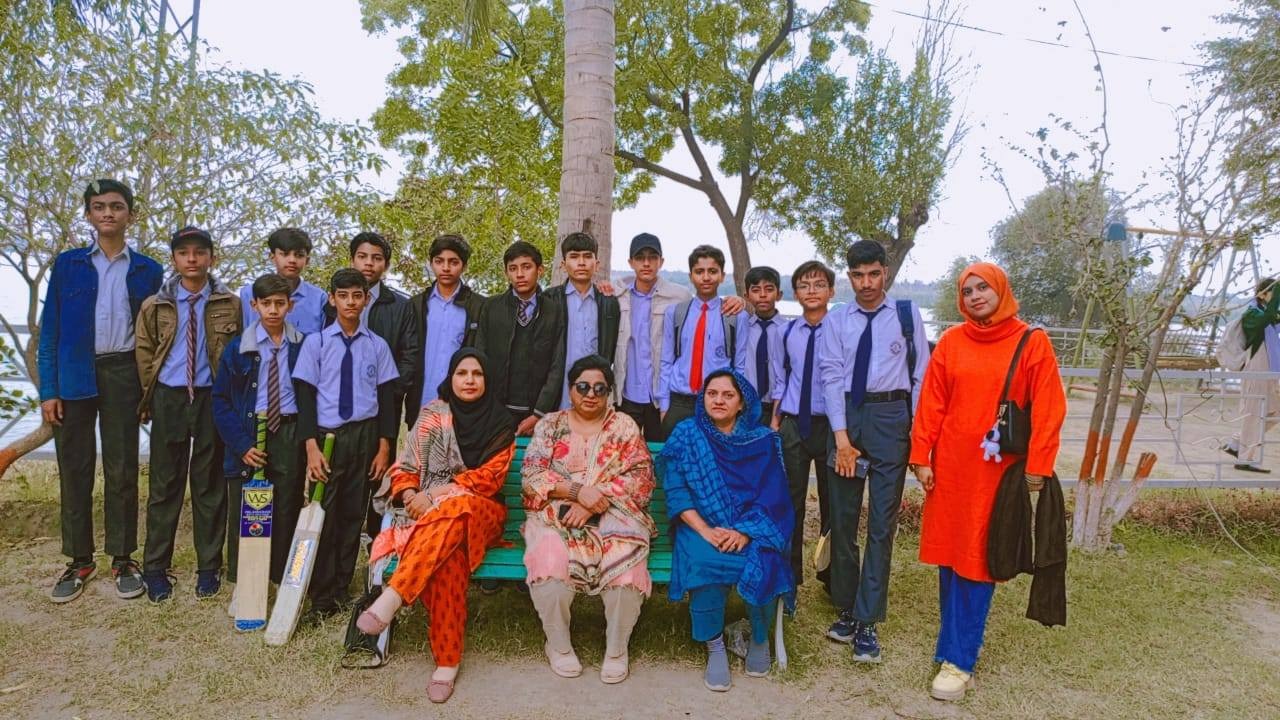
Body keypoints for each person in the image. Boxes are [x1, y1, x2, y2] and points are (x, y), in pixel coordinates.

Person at [909, 262, 1067, 701]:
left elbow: (1049, 407)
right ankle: (953, 647)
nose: (976, 296)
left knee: (979, 560)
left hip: (997, 475)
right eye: (968, 290)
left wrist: (1039, 466)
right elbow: (932, 402)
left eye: (983, 288)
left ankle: (960, 662)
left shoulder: (1031, 342)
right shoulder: (952, 341)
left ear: (1001, 290)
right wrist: (921, 455)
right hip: (950, 470)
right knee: (949, 558)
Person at [356, 348, 516, 704]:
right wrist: (412, 493)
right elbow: (406, 466)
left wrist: (437, 494)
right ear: (451, 377)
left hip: (483, 513)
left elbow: (488, 480)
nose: (470, 380)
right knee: (448, 561)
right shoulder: (432, 415)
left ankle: (393, 596)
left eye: (477, 373)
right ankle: (447, 661)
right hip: (434, 522)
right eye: (462, 373)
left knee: (457, 505)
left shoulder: (501, 422)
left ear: (487, 380)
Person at [38, 179, 164, 603]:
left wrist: (148, 393)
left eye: (116, 206)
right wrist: (49, 390)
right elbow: (50, 331)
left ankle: (123, 558)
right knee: (75, 468)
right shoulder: (68, 264)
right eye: (98, 206)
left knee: (123, 468)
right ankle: (79, 559)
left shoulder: (148, 269)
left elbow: (154, 337)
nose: (107, 213)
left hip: (124, 374)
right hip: (74, 375)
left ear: (130, 214)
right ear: (89, 214)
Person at [815, 239, 930, 662]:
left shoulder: (906, 315)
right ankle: (847, 606)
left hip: (890, 418)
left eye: (874, 274)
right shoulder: (837, 319)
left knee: (882, 523)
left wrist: (916, 434)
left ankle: (868, 619)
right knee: (843, 519)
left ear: (885, 273)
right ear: (850, 277)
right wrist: (842, 439)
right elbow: (830, 376)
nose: (866, 283)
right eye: (858, 275)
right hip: (847, 416)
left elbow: (921, 375)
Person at [522, 355, 656, 684]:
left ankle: (617, 649)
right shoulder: (550, 425)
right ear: (570, 390)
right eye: (583, 387)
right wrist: (577, 491)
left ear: (609, 392)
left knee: (626, 568)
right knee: (550, 563)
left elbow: (641, 478)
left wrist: (596, 501)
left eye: (600, 388)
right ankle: (558, 645)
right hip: (556, 514)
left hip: (615, 513)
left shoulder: (624, 426)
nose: (591, 394)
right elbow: (531, 476)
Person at [659, 369, 793, 692]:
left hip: (750, 528)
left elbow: (773, 496)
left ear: (742, 403)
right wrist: (706, 530)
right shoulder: (686, 435)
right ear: (702, 398)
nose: (718, 400)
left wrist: (745, 532)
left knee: (763, 558)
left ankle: (759, 637)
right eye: (712, 394)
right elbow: (676, 490)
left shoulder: (761, 441)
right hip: (698, 526)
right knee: (704, 562)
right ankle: (715, 645)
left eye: (727, 395)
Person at [135, 226, 242, 602]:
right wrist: (149, 397)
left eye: (199, 252)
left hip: (212, 397)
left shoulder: (230, 303)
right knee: (165, 484)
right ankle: (155, 568)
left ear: (212, 257)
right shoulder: (156, 305)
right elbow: (144, 352)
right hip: (170, 396)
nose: (192, 259)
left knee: (209, 484)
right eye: (184, 253)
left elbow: (238, 353)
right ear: (175, 259)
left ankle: (208, 567)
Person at [293, 268, 400, 617]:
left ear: (366, 299)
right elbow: (305, 398)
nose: (350, 302)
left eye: (357, 296)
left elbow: (387, 399)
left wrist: (384, 446)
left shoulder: (377, 345)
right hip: (328, 438)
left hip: (364, 435)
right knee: (325, 512)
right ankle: (320, 592)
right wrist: (311, 447)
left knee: (354, 512)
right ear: (332, 299)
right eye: (343, 296)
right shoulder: (317, 343)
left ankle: (341, 587)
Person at [212, 273, 307, 589]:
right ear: (254, 305)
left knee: (286, 503)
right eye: (266, 303)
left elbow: (311, 394)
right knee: (248, 507)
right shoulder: (238, 348)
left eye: (280, 303)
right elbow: (221, 400)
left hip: (288, 430)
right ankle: (246, 581)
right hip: (250, 432)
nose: (273, 310)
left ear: (290, 305)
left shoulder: (302, 345)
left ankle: (279, 575)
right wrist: (241, 444)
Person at [332, 231, 420, 538]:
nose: (369, 263)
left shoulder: (400, 306)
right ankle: (337, 545)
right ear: (352, 259)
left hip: (383, 408)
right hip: (338, 410)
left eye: (376, 258)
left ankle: (376, 546)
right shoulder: (333, 302)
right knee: (339, 479)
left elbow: (409, 356)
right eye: (362, 256)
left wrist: (388, 393)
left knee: (378, 477)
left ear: (386, 264)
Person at [769, 261, 836, 593]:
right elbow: (781, 379)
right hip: (794, 423)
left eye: (819, 284)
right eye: (804, 285)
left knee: (832, 501)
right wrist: (776, 421)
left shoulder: (840, 329)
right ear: (795, 293)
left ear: (831, 291)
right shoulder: (786, 332)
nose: (812, 291)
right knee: (791, 501)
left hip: (831, 425)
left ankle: (831, 576)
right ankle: (789, 576)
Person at [658, 245, 750, 437]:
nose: (706, 277)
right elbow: (666, 362)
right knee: (676, 454)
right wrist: (665, 406)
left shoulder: (736, 317)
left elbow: (740, 367)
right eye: (699, 272)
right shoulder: (675, 313)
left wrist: (735, 407)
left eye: (713, 271)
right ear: (691, 276)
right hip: (680, 401)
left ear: (722, 276)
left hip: (717, 403)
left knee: (713, 455)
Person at [475, 241, 566, 436]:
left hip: (538, 413)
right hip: (495, 411)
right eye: (513, 268)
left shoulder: (554, 311)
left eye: (526, 267)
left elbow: (557, 365)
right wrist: (488, 408)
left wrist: (539, 413)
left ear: (539, 270)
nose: (520, 274)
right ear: (506, 273)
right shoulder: (491, 307)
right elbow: (480, 358)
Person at [613, 233, 692, 442]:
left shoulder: (680, 297)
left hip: (662, 396)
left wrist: (736, 302)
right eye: (640, 258)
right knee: (624, 452)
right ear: (631, 262)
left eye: (652, 257)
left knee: (661, 452)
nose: (646, 263)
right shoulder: (617, 296)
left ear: (661, 261)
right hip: (626, 394)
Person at [406, 234, 485, 418]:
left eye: (453, 262)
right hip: (421, 402)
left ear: (464, 266)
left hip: (461, 407)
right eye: (439, 261)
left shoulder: (480, 307)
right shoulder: (416, 305)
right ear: (431, 263)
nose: (446, 268)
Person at [547, 232, 621, 409]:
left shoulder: (608, 302)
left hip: (595, 394)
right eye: (574, 257)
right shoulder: (549, 300)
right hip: (557, 394)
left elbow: (611, 347)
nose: (581, 262)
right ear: (563, 265)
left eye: (587, 256)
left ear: (596, 264)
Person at [1224, 278, 1280, 472]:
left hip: (1269, 371)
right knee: (1254, 414)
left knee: (1275, 412)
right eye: (1274, 293)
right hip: (1256, 368)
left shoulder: (1267, 315)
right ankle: (1243, 459)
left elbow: (1273, 317)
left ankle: (1236, 443)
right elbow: (1269, 316)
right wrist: (1277, 289)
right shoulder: (1252, 314)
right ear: (1262, 295)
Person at [237, 228, 327, 335]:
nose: (292, 260)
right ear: (272, 257)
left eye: (299, 255)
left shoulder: (319, 298)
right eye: (285, 254)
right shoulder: (249, 294)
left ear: (307, 260)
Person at [743, 266, 785, 420]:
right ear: (746, 296)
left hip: (779, 407)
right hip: (745, 406)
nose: (762, 295)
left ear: (779, 295)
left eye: (769, 289)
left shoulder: (788, 331)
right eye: (755, 290)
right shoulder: (742, 329)